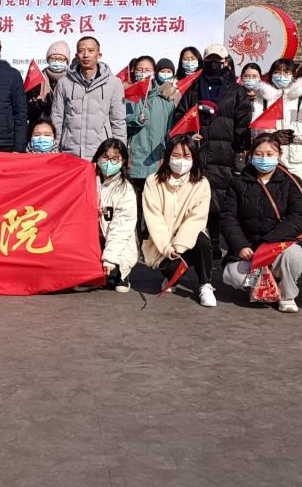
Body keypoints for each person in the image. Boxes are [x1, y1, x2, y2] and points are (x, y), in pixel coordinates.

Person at [173, 43, 251, 257]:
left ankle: (216, 243)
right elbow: (181, 116)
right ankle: (195, 241)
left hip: (224, 153)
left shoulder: (236, 91)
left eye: (218, 60)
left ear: (226, 62)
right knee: (196, 198)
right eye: (210, 60)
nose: (214, 64)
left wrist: (240, 150)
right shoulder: (194, 88)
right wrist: (189, 135)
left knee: (220, 200)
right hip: (197, 151)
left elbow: (243, 123)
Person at [221, 133, 302, 313]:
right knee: (233, 275)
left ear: (279, 155)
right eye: (259, 154)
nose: (264, 158)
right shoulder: (238, 182)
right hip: (249, 247)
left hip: (278, 244)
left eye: (270, 154)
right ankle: (266, 287)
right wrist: (240, 245)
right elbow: (228, 217)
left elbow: (299, 217)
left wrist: (268, 241)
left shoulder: (292, 182)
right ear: (250, 155)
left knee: (292, 254)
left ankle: (287, 294)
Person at [141, 134, 215, 306]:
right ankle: (171, 277)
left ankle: (205, 284)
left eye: (187, 156)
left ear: (194, 158)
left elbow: (197, 218)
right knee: (172, 268)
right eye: (176, 155)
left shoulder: (201, 183)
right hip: (162, 243)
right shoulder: (153, 181)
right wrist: (168, 248)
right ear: (168, 156)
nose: (181, 160)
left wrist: (179, 245)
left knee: (203, 242)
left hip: (187, 240)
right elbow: (154, 218)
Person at [51, 36, 125, 160]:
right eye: (81, 51)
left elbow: (118, 121)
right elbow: (57, 118)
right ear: (76, 55)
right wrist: (55, 148)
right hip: (70, 152)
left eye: (90, 51)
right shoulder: (64, 82)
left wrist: (120, 151)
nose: (85, 55)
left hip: (102, 153)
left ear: (99, 54)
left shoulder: (114, 83)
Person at [125, 56, 176, 234]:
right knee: (134, 208)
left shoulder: (166, 99)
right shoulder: (128, 97)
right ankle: (135, 240)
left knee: (154, 209)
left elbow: (171, 131)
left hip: (156, 161)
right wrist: (134, 120)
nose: (143, 73)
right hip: (133, 161)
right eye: (139, 70)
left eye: (147, 70)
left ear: (154, 72)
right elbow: (119, 125)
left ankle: (151, 240)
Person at [253, 58, 302, 181]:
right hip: (268, 157)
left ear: (293, 75)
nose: (281, 76)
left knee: (296, 190)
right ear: (271, 75)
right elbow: (255, 126)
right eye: (277, 72)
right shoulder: (262, 99)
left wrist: (287, 134)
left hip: (296, 161)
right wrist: (273, 137)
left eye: (286, 72)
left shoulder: (301, 100)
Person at [93, 139, 138, 292]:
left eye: (114, 159)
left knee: (122, 247)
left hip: (115, 236)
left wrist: (109, 258)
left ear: (122, 161)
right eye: (105, 157)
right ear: (98, 157)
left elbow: (122, 227)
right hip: (92, 237)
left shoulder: (126, 189)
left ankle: (122, 273)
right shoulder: (88, 180)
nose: (109, 162)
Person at [27, 40, 70, 124]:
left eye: (61, 59)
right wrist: (35, 107)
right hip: (42, 125)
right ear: (48, 60)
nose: (57, 62)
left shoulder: (72, 80)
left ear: (67, 61)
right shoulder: (36, 78)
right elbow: (26, 110)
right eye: (53, 58)